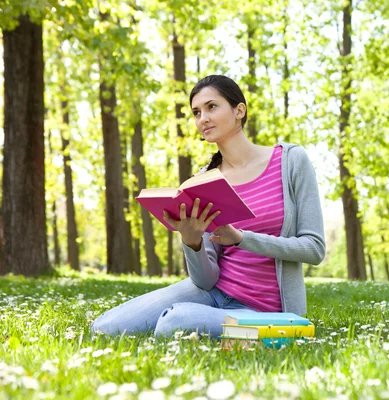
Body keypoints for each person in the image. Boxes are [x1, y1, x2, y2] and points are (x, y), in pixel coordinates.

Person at [90, 75, 326, 338]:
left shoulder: (290, 161)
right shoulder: (205, 180)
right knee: (103, 329)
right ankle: (228, 330)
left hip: (264, 310)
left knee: (174, 323)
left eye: (212, 107)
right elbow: (204, 280)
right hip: (212, 293)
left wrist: (241, 238)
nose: (202, 118)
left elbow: (314, 249)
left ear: (239, 110)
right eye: (196, 112)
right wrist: (192, 244)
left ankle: (278, 331)